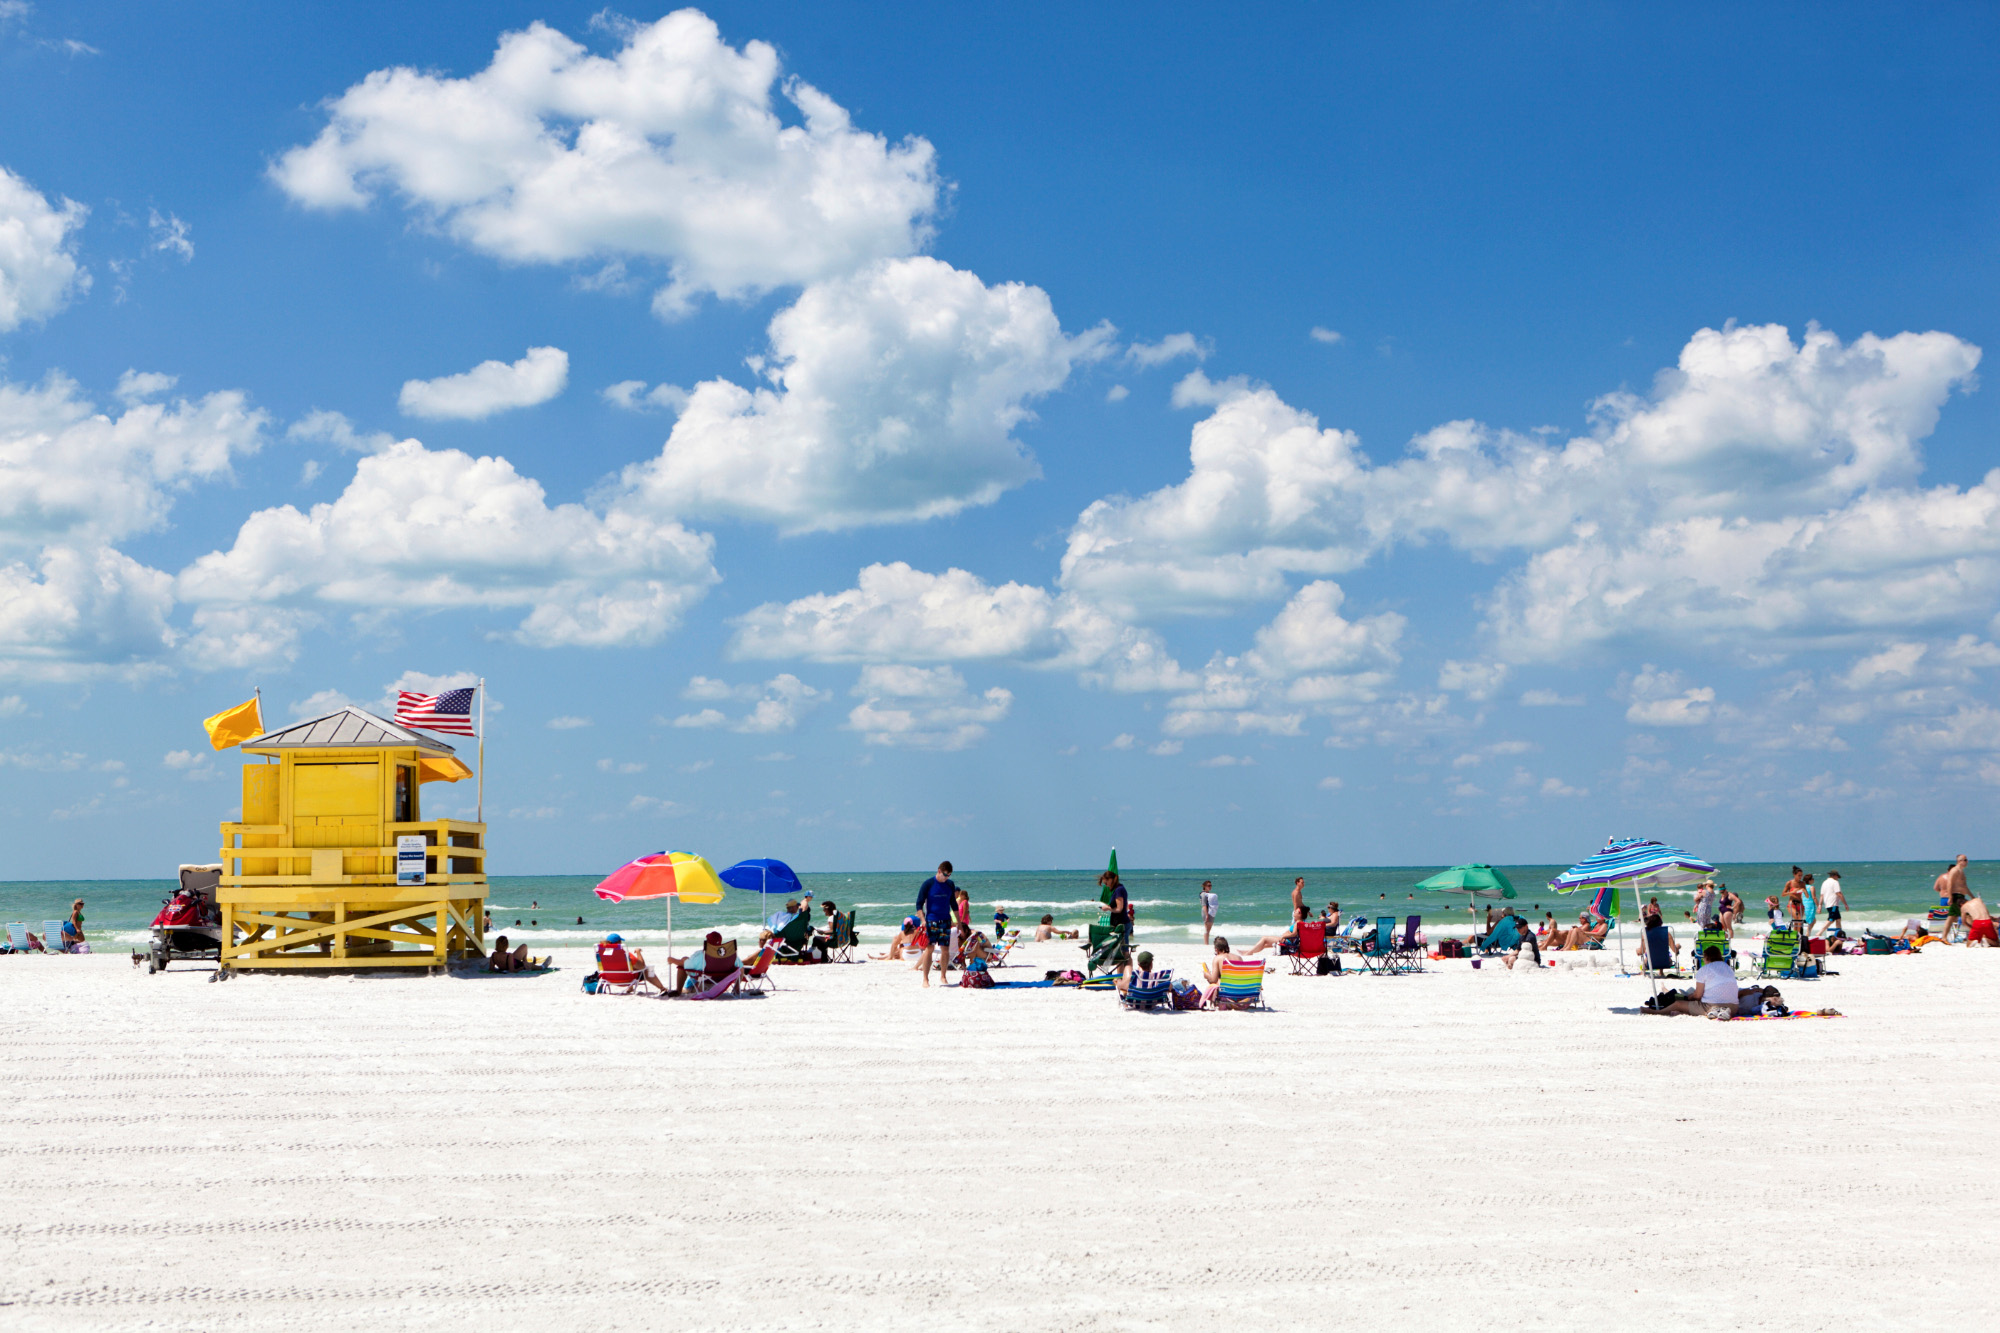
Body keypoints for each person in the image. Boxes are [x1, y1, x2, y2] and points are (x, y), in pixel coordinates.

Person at [1658, 945, 1739, 1016]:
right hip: (1734, 1008)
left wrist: (1689, 997)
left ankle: (1654, 1012)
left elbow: (1697, 996)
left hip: (1713, 1006)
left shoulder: (1704, 969)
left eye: (1704, 958)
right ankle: (1683, 1012)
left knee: (1678, 1004)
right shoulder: (1728, 968)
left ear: (1706, 957)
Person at [915, 861, 957, 987]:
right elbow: (919, 904)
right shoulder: (928, 884)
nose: (947, 877)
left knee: (945, 949)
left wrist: (958, 923)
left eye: (949, 875)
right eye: (945, 874)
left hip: (945, 921)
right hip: (931, 920)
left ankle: (943, 976)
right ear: (939, 871)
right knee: (929, 948)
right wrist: (923, 920)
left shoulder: (950, 884)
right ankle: (925, 979)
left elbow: (953, 904)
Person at [670, 931, 737, 995]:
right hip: (721, 985)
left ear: (707, 943)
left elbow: (685, 964)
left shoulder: (701, 956)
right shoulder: (728, 957)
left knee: (681, 966)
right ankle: (736, 991)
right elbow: (739, 967)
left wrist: (671, 960)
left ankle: (678, 991)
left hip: (704, 986)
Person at [601, 932, 669, 994]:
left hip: (610, 979)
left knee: (626, 967)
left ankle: (630, 988)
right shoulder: (625, 954)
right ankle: (662, 988)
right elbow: (642, 966)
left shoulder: (603, 955)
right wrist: (638, 952)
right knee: (647, 970)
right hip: (626, 980)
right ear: (619, 943)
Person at [1946, 854, 1972, 942]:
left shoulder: (1961, 872)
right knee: (1968, 914)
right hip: (1956, 897)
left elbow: (1964, 886)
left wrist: (1972, 897)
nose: (1967, 861)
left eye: (1966, 860)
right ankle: (1974, 933)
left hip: (1961, 896)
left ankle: (1944, 937)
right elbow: (1949, 884)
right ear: (1959, 861)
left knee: (1951, 917)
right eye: (1965, 860)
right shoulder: (1955, 870)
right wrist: (1950, 897)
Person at [1820, 871, 1847, 937]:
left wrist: (1820, 905)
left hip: (1827, 903)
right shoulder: (1835, 882)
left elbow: (1822, 895)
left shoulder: (1824, 882)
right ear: (1835, 875)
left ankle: (1839, 934)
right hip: (1833, 904)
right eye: (1837, 876)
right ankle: (1819, 932)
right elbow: (1838, 893)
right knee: (1831, 919)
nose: (1837, 878)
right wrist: (1845, 904)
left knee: (1838, 919)